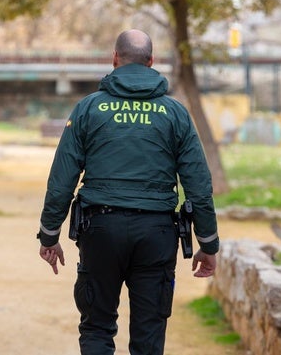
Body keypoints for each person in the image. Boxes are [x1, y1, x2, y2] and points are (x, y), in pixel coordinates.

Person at [37, 29, 219, 355]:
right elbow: (198, 185)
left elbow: (62, 178)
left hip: (100, 231)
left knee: (96, 327)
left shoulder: (88, 109)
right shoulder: (175, 113)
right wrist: (208, 243)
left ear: (114, 59)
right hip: (157, 233)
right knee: (149, 334)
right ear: (152, 61)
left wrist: (49, 235)